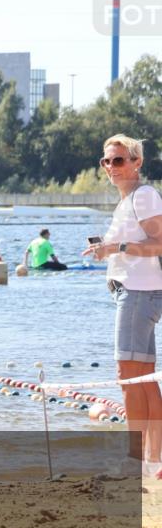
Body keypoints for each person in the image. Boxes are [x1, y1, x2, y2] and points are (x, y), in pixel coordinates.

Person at [83, 134, 162, 478]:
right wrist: (108, 250)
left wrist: (118, 248)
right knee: (143, 380)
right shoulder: (129, 200)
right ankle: (153, 460)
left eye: (118, 160)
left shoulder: (143, 196)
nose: (111, 167)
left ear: (136, 162)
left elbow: (159, 243)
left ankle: (135, 461)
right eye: (106, 161)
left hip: (138, 293)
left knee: (128, 379)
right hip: (137, 292)